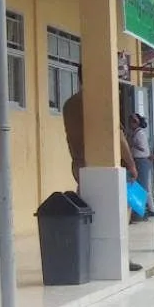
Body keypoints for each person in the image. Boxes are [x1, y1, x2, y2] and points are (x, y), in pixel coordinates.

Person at [60, 68, 142, 272]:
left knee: (89, 212)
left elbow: (70, 138)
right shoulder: (102, 102)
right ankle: (119, 259)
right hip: (105, 165)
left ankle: (88, 256)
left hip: (80, 165)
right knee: (120, 212)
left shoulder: (69, 104)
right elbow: (118, 136)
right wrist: (131, 164)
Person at [126, 113, 154, 218]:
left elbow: (142, 148)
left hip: (141, 160)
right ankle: (150, 209)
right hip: (136, 160)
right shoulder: (134, 133)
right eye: (130, 121)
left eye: (134, 121)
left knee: (143, 187)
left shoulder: (140, 134)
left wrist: (131, 143)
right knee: (142, 186)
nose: (131, 124)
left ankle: (142, 212)